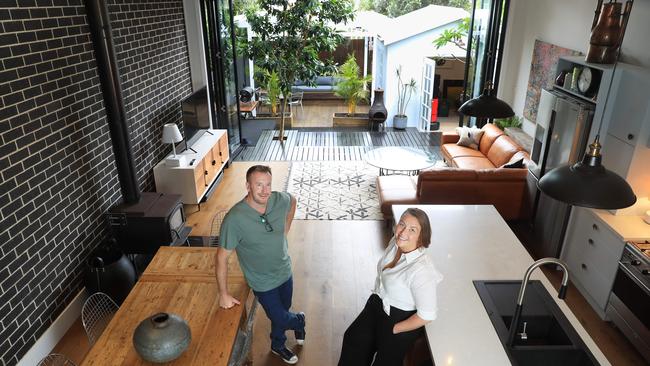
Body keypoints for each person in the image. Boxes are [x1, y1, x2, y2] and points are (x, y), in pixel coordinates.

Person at [216, 165, 304, 364]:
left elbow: (292, 201)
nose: (265, 191)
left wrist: (285, 228)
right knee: (280, 316)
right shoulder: (235, 219)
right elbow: (221, 257)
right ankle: (299, 320)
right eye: (259, 185)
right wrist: (223, 294)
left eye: (268, 185)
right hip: (262, 280)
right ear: (248, 186)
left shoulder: (277, 200)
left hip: (284, 270)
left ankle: (277, 344)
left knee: (282, 311)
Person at [338, 208, 443, 366]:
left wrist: (395, 329)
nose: (403, 232)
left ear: (421, 236)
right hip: (378, 303)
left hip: (400, 317)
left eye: (412, 230)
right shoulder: (396, 242)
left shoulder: (422, 271)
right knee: (354, 340)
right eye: (402, 224)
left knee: (384, 362)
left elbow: (427, 315)